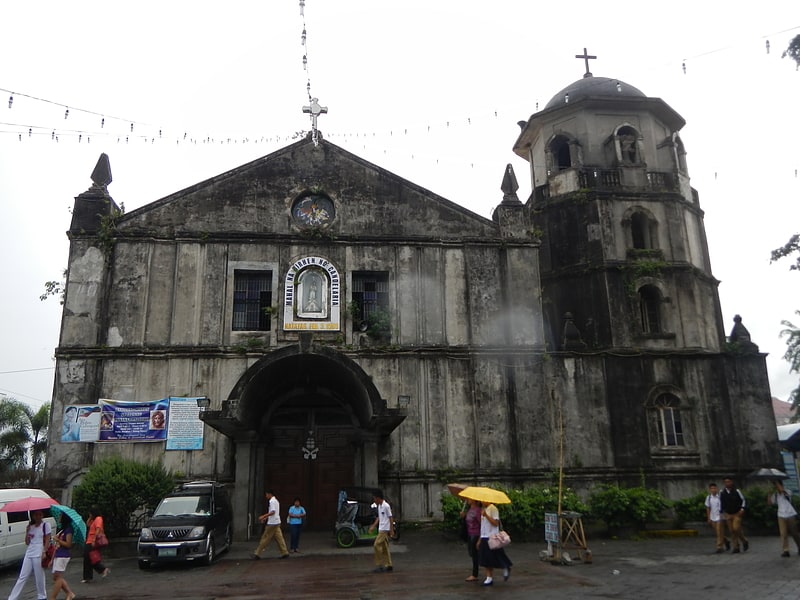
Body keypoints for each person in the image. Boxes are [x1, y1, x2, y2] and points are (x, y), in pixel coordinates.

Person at [8, 509, 51, 600]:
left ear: (42, 515)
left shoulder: (46, 525)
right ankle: (13, 597)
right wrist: (27, 532)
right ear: (33, 516)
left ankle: (42, 595)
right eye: (36, 515)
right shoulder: (30, 526)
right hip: (30, 551)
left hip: (39, 551)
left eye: (40, 514)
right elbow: (27, 542)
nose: (38, 517)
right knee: (22, 576)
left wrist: (44, 551)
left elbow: (47, 539)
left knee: (39, 575)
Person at [478, 502, 512, 586]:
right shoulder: (484, 509)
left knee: (496, 555)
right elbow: (483, 526)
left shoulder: (493, 509)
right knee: (486, 558)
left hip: (492, 537)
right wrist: (480, 538)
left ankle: (505, 567)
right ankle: (489, 577)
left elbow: (495, 523)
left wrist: (486, 515)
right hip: (484, 536)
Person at [767, 480, 800, 557]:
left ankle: (799, 546)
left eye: (777, 485)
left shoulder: (787, 492)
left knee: (794, 533)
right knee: (783, 533)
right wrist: (769, 494)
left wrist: (777, 484)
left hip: (790, 514)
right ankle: (786, 550)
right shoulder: (775, 495)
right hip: (781, 515)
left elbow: (783, 491)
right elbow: (770, 503)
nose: (776, 487)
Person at [252, 490, 289, 559]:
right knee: (279, 538)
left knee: (265, 538)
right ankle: (285, 552)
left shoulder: (272, 501)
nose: (266, 496)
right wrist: (266, 518)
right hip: (277, 521)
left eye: (266, 494)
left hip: (272, 523)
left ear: (269, 494)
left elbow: (272, 512)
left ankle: (257, 553)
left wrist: (263, 516)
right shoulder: (276, 501)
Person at [49, 513, 76, 600]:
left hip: (63, 555)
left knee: (58, 576)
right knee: (56, 577)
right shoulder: (63, 530)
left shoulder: (69, 530)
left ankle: (53, 597)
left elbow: (68, 544)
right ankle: (69, 593)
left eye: (61, 516)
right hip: (58, 554)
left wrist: (58, 540)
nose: (59, 518)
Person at [720, 477, 749, 554]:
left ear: (732, 482)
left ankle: (744, 540)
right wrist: (723, 512)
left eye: (729, 482)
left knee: (736, 528)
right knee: (731, 531)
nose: (727, 483)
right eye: (726, 482)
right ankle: (736, 546)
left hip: (737, 513)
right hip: (728, 513)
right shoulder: (722, 493)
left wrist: (742, 509)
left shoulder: (737, 491)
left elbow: (743, 500)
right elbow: (722, 503)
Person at [367, 490, 394, 573]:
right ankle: (389, 565)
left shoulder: (386, 506)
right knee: (385, 547)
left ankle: (379, 564)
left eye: (374, 498)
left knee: (376, 545)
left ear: (378, 498)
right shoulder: (379, 506)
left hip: (384, 529)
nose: (374, 500)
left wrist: (391, 530)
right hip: (381, 528)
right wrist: (373, 526)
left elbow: (390, 518)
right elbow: (379, 518)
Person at [82, 506, 110, 582]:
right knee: (89, 558)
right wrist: (90, 518)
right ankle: (100, 570)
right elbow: (87, 524)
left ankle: (90, 575)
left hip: (92, 541)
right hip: (89, 541)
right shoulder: (93, 520)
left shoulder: (98, 519)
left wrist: (94, 540)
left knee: (89, 557)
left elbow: (98, 529)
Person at [460, 498, 482, 581]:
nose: (467, 500)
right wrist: (463, 516)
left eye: (469, 499)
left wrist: (480, 538)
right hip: (469, 534)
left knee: (474, 555)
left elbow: (481, 524)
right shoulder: (470, 510)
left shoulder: (478, 511)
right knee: (472, 554)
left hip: (475, 535)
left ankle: (475, 574)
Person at [705, 483, 729, 553]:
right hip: (713, 516)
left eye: (714, 488)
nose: (713, 490)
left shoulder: (720, 497)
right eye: (712, 489)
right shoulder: (709, 497)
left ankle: (719, 546)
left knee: (719, 531)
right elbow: (708, 508)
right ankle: (725, 540)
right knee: (718, 532)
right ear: (709, 490)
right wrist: (709, 517)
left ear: (717, 489)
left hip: (720, 516)